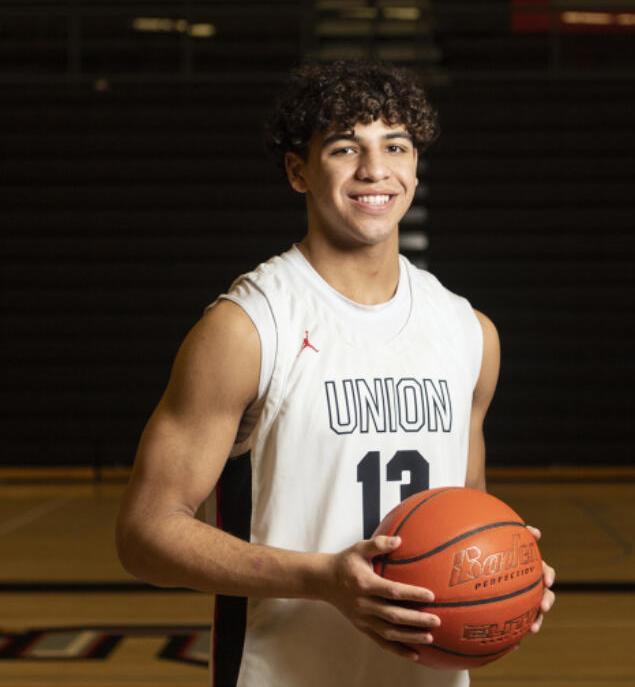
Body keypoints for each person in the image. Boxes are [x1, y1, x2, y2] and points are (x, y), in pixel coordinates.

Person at [116, 59, 554, 687]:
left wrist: (508, 575)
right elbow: (144, 535)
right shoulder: (247, 328)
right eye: (346, 148)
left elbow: (468, 510)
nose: (375, 170)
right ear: (299, 170)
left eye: (395, 146)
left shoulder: (469, 332)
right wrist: (321, 579)